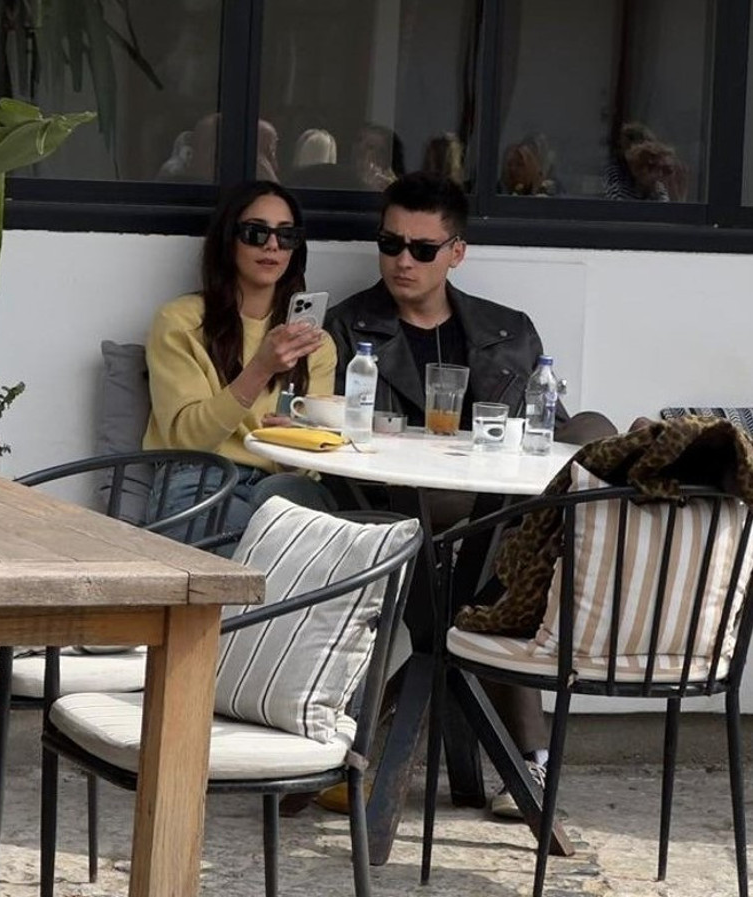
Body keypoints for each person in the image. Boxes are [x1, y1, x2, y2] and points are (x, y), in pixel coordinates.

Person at [325, 171, 615, 818]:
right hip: (397, 505)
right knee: (514, 558)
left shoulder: (508, 331)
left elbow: (550, 430)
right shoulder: (350, 326)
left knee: (592, 433)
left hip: (496, 509)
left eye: (422, 248)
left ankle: (373, 752)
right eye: (390, 243)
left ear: (456, 252)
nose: (402, 260)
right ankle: (530, 760)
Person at [143, 179, 336, 537]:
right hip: (203, 476)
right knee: (247, 562)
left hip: (281, 485)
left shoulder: (315, 343)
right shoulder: (181, 322)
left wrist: (294, 446)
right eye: (255, 233)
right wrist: (261, 368)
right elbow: (188, 441)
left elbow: (311, 461)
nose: (272, 245)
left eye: (287, 235)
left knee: (304, 518)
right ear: (228, 239)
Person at [603, 121, 687, 202]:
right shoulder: (617, 174)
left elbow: (665, 206)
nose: (659, 174)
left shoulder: (658, 187)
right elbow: (618, 203)